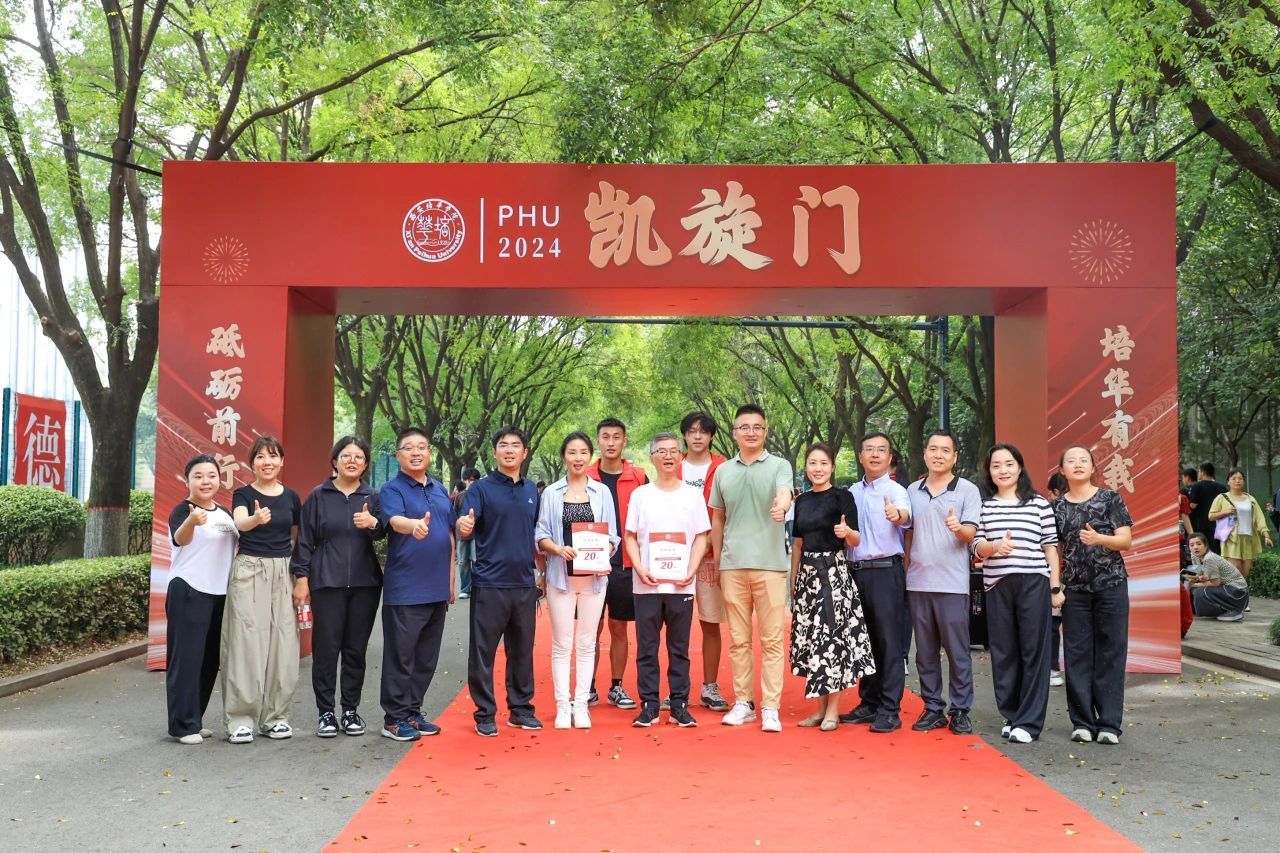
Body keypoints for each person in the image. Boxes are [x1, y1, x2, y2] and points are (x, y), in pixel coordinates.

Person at [291, 436, 385, 739]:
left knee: (356, 650)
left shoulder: (373, 496)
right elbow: (304, 540)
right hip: (326, 582)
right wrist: (301, 578)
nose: (352, 461)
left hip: (365, 584)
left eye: (358, 457)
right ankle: (326, 712)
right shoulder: (318, 496)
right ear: (335, 461)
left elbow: (383, 534)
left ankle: (350, 710)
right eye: (346, 455)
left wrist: (373, 523)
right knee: (326, 649)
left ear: (365, 464)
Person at [709, 404, 793, 732]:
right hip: (732, 565)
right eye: (744, 427)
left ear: (765, 431)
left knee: (772, 640)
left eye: (757, 427)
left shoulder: (779, 465)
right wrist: (718, 560)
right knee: (739, 640)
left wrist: (782, 505)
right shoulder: (723, 471)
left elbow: (784, 493)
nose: (751, 432)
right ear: (734, 433)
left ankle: (771, 707)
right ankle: (743, 703)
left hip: (770, 566)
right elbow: (718, 517)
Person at [972, 443, 1062, 744]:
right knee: (1003, 652)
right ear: (989, 471)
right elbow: (976, 547)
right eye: (996, 465)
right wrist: (995, 547)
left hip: (1033, 581)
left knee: (1033, 651)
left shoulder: (1038, 503)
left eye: (1009, 464)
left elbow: (1050, 548)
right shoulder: (983, 506)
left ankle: (1029, 722)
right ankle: (1012, 714)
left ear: (1020, 467)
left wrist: (1055, 588)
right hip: (997, 584)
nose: (1003, 470)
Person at [458, 427, 542, 736]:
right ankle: (485, 713)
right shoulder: (480, 489)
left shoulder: (532, 490)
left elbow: (536, 534)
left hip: (524, 584)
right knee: (483, 652)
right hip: (490, 583)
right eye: (503, 445)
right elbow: (465, 523)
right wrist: (464, 526)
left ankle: (520, 710)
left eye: (515, 445)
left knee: (522, 651)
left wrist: (541, 575)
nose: (509, 450)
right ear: (494, 452)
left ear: (524, 452)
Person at [624, 433, 711, 728]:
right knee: (647, 648)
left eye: (674, 451)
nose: (669, 456)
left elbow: (702, 536)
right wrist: (639, 568)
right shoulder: (641, 495)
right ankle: (649, 705)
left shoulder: (692, 496)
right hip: (646, 584)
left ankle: (679, 705)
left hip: (681, 583)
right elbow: (630, 536)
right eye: (662, 451)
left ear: (681, 456)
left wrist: (692, 569)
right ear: (652, 458)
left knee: (679, 648)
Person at [376, 428, 456, 741]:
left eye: (422, 447)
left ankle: (412, 711)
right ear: (398, 455)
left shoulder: (440, 489)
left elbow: (449, 535)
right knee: (401, 656)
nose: (416, 452)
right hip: (406, 588)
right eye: (408, 448)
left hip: (437, 588)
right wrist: (413, 526)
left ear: (429, 453)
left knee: (426, 657)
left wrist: (451, 579)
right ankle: (393, 718)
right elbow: (395, 521)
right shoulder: (392, 489)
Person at [535, 432, 618, 730]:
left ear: (590, 456)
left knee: (586, 643)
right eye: (572, 452)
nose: (578, 458)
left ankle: (581, 705)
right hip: (561, 578)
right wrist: (558, 549)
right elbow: (540, 534)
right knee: (561, 644)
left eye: (583, 452)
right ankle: (562, 705)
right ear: (564, 457)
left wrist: (604, 550)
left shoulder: (602, 492)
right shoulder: (551, 493)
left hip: (593, 579)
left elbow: (613, 536)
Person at [1053, 445, 1134, 745]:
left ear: (1092, 467)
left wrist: (1100, 538)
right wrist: (1055, 586)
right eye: (1071, 461)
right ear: (1062, 470)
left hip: (1111, 585)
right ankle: (1082, 722)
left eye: (1083, 460)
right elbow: (1054, 549)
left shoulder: (1110, 499)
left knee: (1112, 652)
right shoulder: (1057, 508)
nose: (1077, 464)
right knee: (1077, 654)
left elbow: (1125, 540)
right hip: (1075, 590)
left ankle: (1109, 724)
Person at [790, 443, 874, 731]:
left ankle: (833, 710)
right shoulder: (801, 501)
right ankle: (819, 708)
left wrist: (846, 532)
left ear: (833, 467)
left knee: (833, 641)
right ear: (806, 467)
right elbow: (797, 544)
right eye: (813, 463)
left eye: (824, 463)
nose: (818, 468)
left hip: (834, 575)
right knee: (813, 641)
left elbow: (856, 540)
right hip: (807, 578)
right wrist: (794, 580)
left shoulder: (843, 497)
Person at [224, 436, 302, 744]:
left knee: (284, 643)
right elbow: (240, 523)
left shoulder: (292, 497)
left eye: (273, 456)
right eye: (260, 457)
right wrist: (256, 519)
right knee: (246, 642)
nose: (267, 462)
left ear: (282, 461)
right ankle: (240, 719)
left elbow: (297, 536)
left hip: (283, 570)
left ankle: (275, 718)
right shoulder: (243, 494)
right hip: (249, 569)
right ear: (252, 462)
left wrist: (299, 575)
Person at [904, 431, 981, 735]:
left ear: (955, 456)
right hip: (918, 583)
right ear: (925, 454)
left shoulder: (967, 490)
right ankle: (933, 707)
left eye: (945, 450)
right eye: (933, 449)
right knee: (924, 653)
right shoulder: (912, 490)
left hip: (952, 584)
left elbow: (970, 534)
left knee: (957, 651)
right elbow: (907, 534)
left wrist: (957, 527)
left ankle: (960, 710)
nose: (938, 455)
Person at [839, 432, 912, 734]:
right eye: (869, 449)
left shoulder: (896, 491)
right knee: (863, 641)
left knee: (889, 641)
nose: (875, 454)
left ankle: (890, 709)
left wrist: (897, 515)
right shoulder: (851, 492)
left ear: (890, 457)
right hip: (856, 572)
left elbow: (906, 515)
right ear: (860, 456)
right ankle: (868, 702)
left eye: (881, 450)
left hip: (885, 572)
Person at [165, 455, 238, 745]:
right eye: (198, 476)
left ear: (219, 479)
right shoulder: (183, 510)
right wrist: (192, 522)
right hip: (189, 590)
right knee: (186, 660)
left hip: (219, 594)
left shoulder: (225, 514)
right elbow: (180, 539)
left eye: (211, 475)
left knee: (208, 661)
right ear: (188, 481)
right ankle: (182, 726)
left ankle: (194, 718)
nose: (205, 481)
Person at [587, 418, 649, 709]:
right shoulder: (585, 474)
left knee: (619, 627)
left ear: (625, 441)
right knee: (591, 628)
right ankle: (587, 687)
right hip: (590, 563)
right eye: (605, 436)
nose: (611, 442)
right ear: (598, 441)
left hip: (625, 563)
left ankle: (616, 686)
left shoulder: (639, 477)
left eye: (616, 437)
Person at [680, 410, 730, 712]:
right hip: (676, 556)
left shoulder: (724, 468)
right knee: (676, 625)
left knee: (710, 622)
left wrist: (715, 544)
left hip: (712, 556)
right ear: (684, 435)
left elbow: (728, 510)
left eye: (703, 431)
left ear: (711, 436)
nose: (697, 436)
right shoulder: (672, 465)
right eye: (691, 431)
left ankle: (710, 687)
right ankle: (677, 689)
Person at [1207, 468, 1274, 580]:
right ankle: (1232, 591)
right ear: (1228, 482)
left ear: (1244, 481)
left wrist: (1266, 536)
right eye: (1234, 478)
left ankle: (1240, 591)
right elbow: (1211, 516)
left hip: (1248, 539)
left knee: (1245, 573)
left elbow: (1259, 518)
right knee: (1235, 572)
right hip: (1232, 539)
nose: (1237, 481)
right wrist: (1226, 511)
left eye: (1240, 478)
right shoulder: (1222, 498)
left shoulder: (1251, 499)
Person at [1187, 533, 1250, 620]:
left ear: (1206, 545)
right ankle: (1220, 611)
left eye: (1199, 544)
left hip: (1238, 592)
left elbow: (1215, 583)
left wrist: (1195, 584)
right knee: (1194, 589)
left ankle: (1233, 612)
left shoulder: (1209, 558)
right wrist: (1190, 578)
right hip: (1226, 588)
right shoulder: (1194, 556)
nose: (1195, 547)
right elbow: (1200, 574)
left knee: (1200, 592)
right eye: (1192, 545)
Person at [1045, 471, 1069, 688]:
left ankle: (1054, 669)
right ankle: (1053, 668)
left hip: (1064, 577)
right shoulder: (1052, 510)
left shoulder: (1053, 509)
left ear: (1055, 491)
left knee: (1054, 625)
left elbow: (1055, 548)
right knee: (1053, 625)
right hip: (1059, 576)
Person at [1187, 463, 1228, 554]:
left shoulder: (1197, 486)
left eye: (1199, 471)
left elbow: (1192, 505)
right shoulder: (1222, 487)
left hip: (1202, 524)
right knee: (1218, 551)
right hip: (1219, 525)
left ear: (1203, 472)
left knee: (1203, 550)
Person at [454, 468, 481, 599]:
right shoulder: (459, 497)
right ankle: (465, 588)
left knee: (477, 561)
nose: (472, 482)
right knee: (462, 562)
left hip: (477, 535)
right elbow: (454, 516)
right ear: (465, 481)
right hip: (462, 536)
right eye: (469, 480)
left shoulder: (482, 495)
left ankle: (477, 588)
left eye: (475, 480)